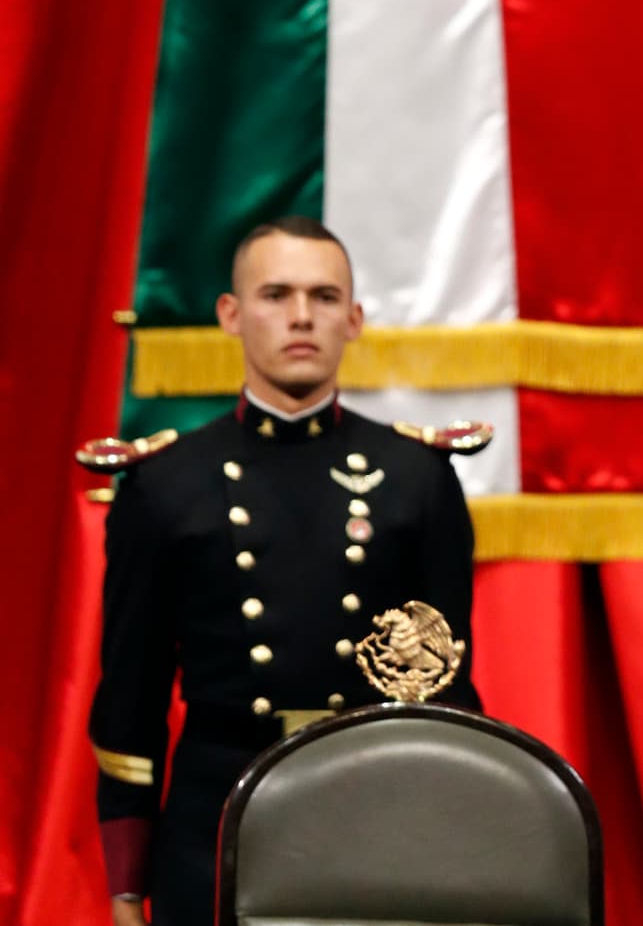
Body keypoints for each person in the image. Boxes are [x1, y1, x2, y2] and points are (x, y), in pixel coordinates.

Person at [86, 217, 481, 926]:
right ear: (231, 315)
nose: (302, 315)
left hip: (380, 821)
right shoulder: (166, 482)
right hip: (216, 825)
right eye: (276, 293)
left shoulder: (415, 477)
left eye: (325, 296)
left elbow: (450, 694)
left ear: (355, 319)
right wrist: (125, 885)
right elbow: (131, 698)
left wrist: (452, 845)